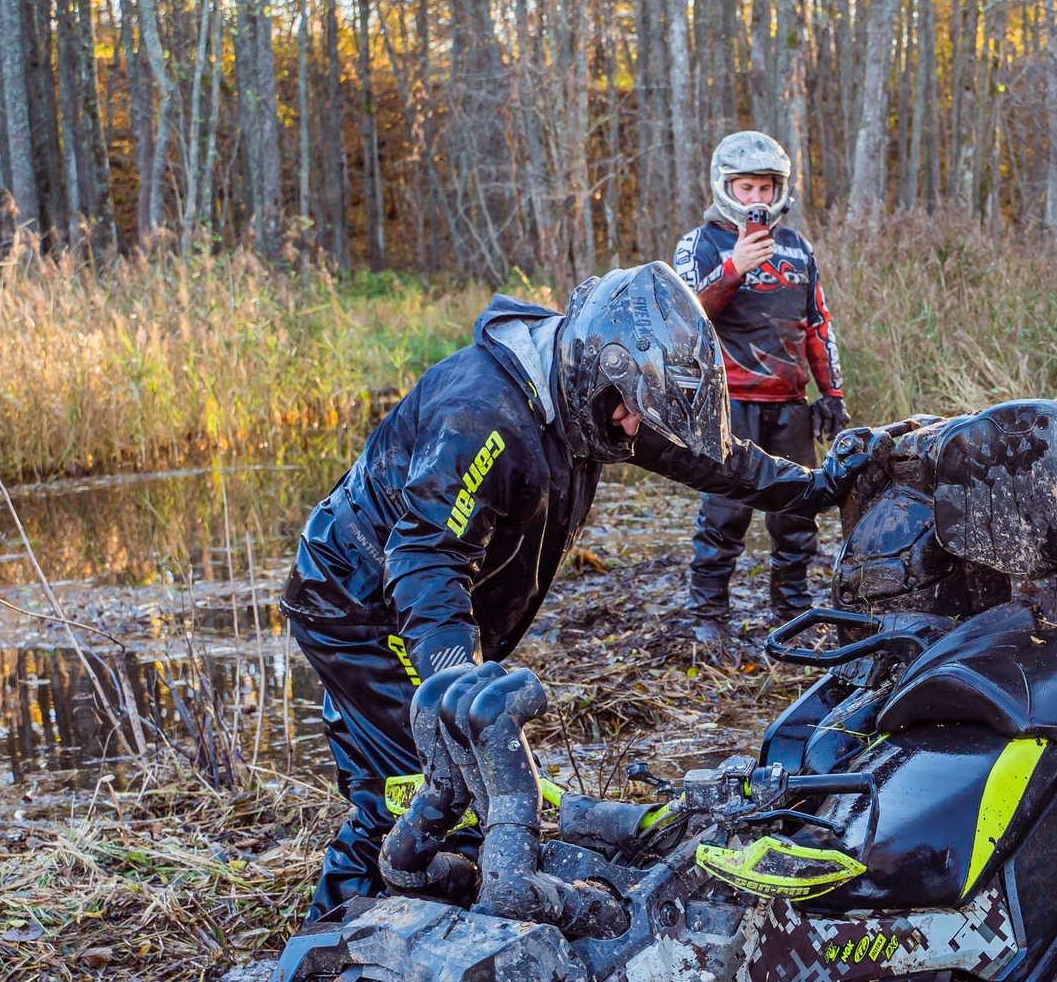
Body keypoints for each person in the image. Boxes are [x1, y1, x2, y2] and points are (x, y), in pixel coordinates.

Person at [283, 260, 870, 922]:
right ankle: (335, 946)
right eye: (627, 411)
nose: (631, 428)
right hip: (360, 601)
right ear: (598, 370)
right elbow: (426, 555)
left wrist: (812, 486)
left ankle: (379, 927)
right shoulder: (483, 414)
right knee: (425, 792)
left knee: (419, 790)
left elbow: (705, 454)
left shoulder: (593, 392)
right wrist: (459, 687)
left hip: (420, 601)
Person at [671, 130, 850, 646]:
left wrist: (831, 394)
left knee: (796, 516)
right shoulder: (698, 244)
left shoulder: (797, 247)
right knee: (724, 515)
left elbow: (818, 323)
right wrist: (733, 269)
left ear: (781, 190)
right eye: (745, 187)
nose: (756, 199)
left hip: (790, 405)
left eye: (766, 188)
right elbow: (686, 321)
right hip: (728, 404)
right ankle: (709, 620)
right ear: (725, 186)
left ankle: (791, 614)